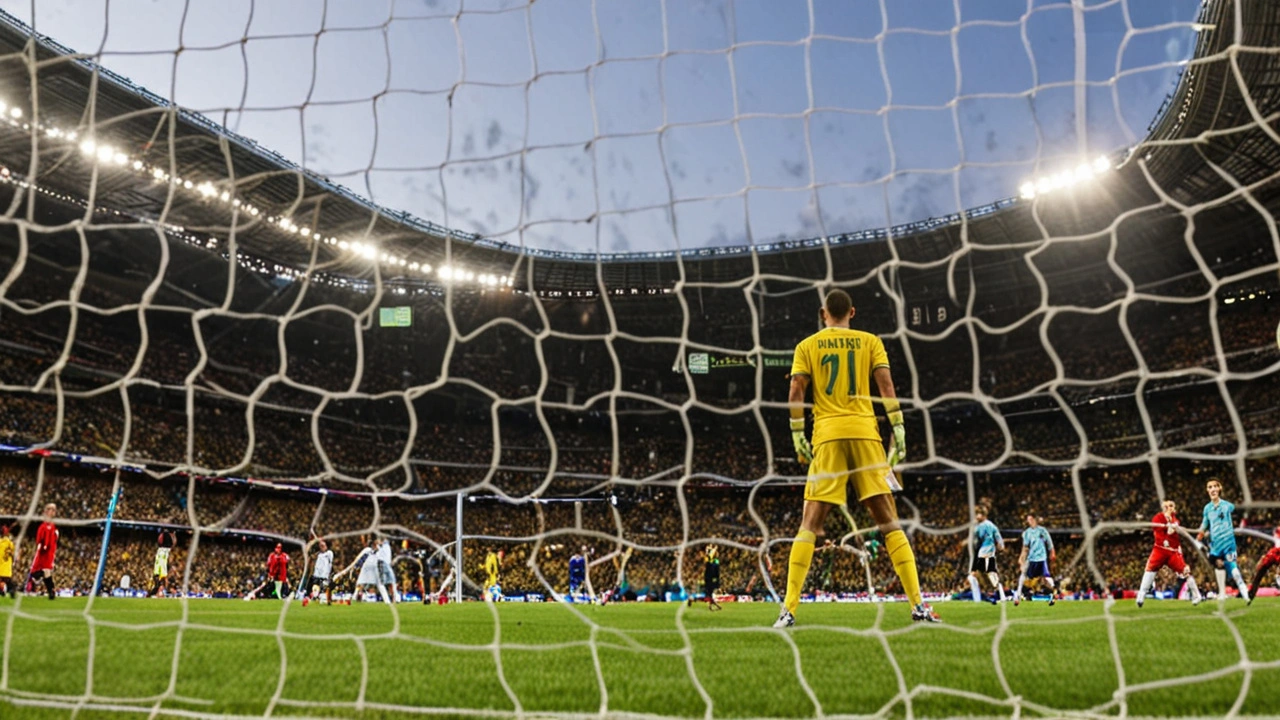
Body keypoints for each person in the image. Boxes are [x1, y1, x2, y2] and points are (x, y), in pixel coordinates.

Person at [774, 289, 938, 627]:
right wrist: (899, 427)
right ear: (852, 312)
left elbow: (795, 390)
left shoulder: (807, 346)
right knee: (889, 521)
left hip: (828, 436)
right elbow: (887, 386)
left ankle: (788, 610)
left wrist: (796, 433)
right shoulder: (870, 341)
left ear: (823, 314)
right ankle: (918, 607)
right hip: (866, 435)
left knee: (810, 523)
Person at [1136, 500, 1202, 607]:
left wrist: (1171, 525)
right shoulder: (1157, 518)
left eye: (1171, 506)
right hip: (1159, 549)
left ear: (1174, 508)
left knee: (1185, 572)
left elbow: (1171, 531)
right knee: (1149, 570)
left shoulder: (1176, 521)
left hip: (1172, 552)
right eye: (1166, 506)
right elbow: (1157, 528)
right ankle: (1140, 596)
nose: (1169, 508)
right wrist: (1166, 524)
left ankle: (1197, 596)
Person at [1196, 479, 1249, 602]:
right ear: (1207, 490)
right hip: (1215, 545)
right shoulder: (1207, 508)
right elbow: (1204, 524)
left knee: (1233, 570)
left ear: (1220, 488)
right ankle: (1222, 593)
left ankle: (1244, 592)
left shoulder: (1228, 506)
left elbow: (1238, 513)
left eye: (1215, 486)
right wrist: (1198, 537)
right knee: (1218, 566)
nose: (1213, 489)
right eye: (1210, 487)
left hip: (1229, 544)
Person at [1014, 514, 1056, 606]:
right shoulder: (1027, 533)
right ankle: (1017, 595)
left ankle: (1052, 595)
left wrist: (1052, 553)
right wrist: (1021, 558)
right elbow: (1025, 548)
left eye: (1030, 519)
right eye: (1028, 520)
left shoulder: (1042, 531)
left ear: (1034, 519)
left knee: (1046, 577)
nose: (1028, 521)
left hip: (1041, 558)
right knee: (1024, 574)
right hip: (1031, 558)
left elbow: (1050, 543)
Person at [968, 507, 1006, 604]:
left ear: (983, 515)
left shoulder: (979, 527)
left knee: (977, 574)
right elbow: (999, 539)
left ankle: (979, 598)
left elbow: (976, 542)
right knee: (988, 573)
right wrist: (1001, 547)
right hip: (990, 551)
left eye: (978, 514)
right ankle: (1000, 595)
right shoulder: (992, 526)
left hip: (984, 551)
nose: (976, 516)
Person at [27, 503, 58, 600]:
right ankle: (51, 590)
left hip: (49, 553)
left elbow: (54, 540)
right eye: (50, 509)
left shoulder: (52, 527)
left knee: (46, 571)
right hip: (42, 552)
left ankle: (51, 591)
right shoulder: (43, 527)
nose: (52, 512)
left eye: (53, 510)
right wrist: (40, 545)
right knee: (40, 572)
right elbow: (40, 539)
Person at [1246, 526, 1280, 602]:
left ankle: (1252, 592)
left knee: (1260, 572)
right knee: (1260, 571)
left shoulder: (1276, 530)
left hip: (1274, 553)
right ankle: (1252, 592)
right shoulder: (1276, 529)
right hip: (1274, 553)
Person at [149, 529, 177, 598]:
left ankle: (155, 592)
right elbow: (173, 544)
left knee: (159, 576)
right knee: (161, 576)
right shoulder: (166, 548)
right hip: (163, 553)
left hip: (162, 553)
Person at [308, 537, 335, 604]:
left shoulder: (329, 553)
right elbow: (311, 555)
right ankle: (315, 597)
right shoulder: (319, 554)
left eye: (323, 546)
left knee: (324, 588)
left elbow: (330, 562)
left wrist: (321, 541)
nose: (322, 547)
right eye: (320, 546)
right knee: (315, 586)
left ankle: (323, 598)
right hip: (316, 574)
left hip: (324, 575)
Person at [376, 535, 398, 603]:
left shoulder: (383, 546)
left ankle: (390, 600)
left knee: (382, 583)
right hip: (385, 564)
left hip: (384, 564)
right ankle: (395, 599)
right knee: (391, 582)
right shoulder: (386, 546)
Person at [703, 544, 721, 611]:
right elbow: (709, 556)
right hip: (709, 579)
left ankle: (712, 606)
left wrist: (711, 549)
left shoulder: (714, 561)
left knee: (710, 593)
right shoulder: (711, 561)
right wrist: (713, 549)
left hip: (710, 578)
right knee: (710, 593)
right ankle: (714, 605)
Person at [0, 525, 14, 599]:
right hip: (7, 566)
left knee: (2, 581)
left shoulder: (0, 542)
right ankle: (10, 591)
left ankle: (4, 590)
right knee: (8, 581)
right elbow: (12, 553)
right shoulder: (10, 543)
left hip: (1, 565)